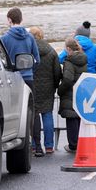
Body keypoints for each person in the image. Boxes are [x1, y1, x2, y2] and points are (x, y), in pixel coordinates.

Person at [29, 26, 61, 156]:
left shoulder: (29, 51)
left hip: (32, 86)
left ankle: (33, 145)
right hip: (48, 87)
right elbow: (57, 72)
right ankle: (49, 146)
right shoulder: (51, 51)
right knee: (47, 114)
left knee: (33, 115)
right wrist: (54, 85)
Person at [58, 38, 88, 152]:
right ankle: (80, 143)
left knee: (71, 118)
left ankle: (73, 145)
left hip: (70, 92)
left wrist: (60, 90)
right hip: (81, 91)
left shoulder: (69, 61)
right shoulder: (83, 59)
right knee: (79, 117)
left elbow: (67, 79)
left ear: (68, 49)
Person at [1, 8, 40, 89]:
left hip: (12, 79)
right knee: (29, 101)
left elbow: (1, 60)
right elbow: (37, 60)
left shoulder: (4, 38)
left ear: (9, 20)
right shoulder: (30, 37)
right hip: (28, 78)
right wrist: (30, 71)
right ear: (21, 19)